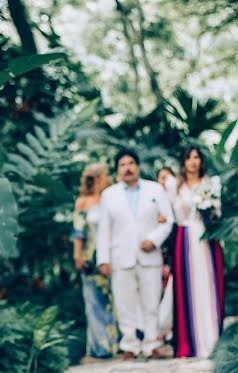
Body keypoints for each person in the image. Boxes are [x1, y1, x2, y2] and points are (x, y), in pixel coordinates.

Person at [96, 149, 174, 359]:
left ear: (137, 166)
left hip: (149, 256)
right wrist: (103, 259)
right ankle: (129, 345)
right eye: (122, 165)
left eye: (131, 163)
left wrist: (154, 239)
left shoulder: (155, 190)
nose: (127, 168)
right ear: (118, 170)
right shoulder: (109, 195)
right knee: (124, 303)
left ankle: (151, 344)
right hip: (121, 257)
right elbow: (103, 230)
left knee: (151, 302)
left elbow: (168, 219)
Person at [161, 145, 225, 358]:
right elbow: (166, 213)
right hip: (184, 239)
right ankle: (189, 343)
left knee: (209, 286)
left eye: (196, 157)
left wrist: (210, 211)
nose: (193, 162)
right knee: (186, 288)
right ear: (183, 162)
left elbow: (218, 214)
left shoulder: (211, 184)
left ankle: (212, 339)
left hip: (207, 239)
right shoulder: (174, 186)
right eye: (188, 158)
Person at [72, 162, 118, 359]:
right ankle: (101, 346)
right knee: (94, 302)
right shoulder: (83, 202)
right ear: (98, 178)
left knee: (114, 301)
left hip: (112, 256)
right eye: (106, 175)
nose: (109, 178)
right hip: (90, 258)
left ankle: (117, 343)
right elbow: (78, 231)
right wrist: (77, 255)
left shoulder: (111, 199)